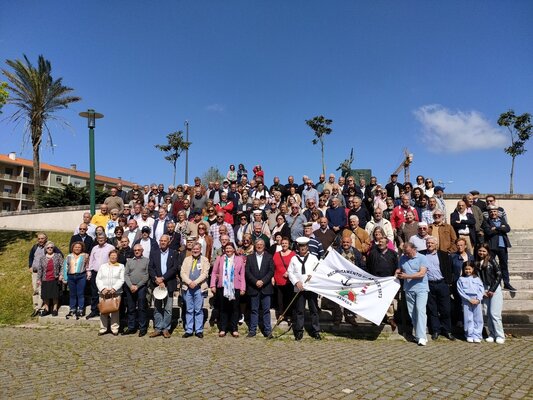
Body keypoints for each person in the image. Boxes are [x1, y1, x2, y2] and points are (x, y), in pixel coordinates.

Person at [422, 236, 455, 341]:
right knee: (432, 309)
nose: (429, 245)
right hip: (429, 284)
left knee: (446, 309)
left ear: (436, 244)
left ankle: (447, 330)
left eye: (432, 243)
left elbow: (449, 269)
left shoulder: (444, 255)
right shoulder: (421, 255)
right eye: (428, 243)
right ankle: (436, 330)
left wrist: (448, 282)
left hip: (442, 283)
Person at [288, 237, 321, 340]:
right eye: (301, 246)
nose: (303, 248)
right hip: (299, 288)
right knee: (299, 311)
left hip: (311, 288)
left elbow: (318, 271)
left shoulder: (313, 258)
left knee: (314, 310)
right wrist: (296, 282)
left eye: (304, 246)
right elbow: (290, 272)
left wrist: (313, 276)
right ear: (298, 247)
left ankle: (316, 331)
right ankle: (299, 331)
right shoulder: (294, 259)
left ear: (307, 247)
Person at [210, 243, 246, 337]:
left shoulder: (239, 259)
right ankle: (223, 328)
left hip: (235, 286)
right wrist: (213, 285)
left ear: (234, 249)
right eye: (227, 248)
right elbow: (214, 272)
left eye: (230, 248)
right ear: (224, 250)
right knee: (223, 308)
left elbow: (242, 274)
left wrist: (243, 288)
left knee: (235, 308)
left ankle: (234, 329)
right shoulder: (220, 258)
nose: (228, 250)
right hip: (223, 287)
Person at [398, 242, 429, 346]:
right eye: (405, 253)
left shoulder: (422, 258)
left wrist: (407, 276)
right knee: (412, 313)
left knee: (420, 310)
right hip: (408, 289)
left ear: (414, 249)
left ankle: (422, 336)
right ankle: (418, 335)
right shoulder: (403, 258)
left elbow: (421, 273)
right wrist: (396, 273)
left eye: (408, 252)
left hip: (421, 288)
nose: (407, 255)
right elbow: (399, 269)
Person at [148, 235, 179, 338]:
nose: (162, 242)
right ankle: (158, 328)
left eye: (165, 241)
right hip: (156, 284)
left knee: (168, 308)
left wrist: (163, 278)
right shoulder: (154, 252)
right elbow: (150, 267)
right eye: (161, 240)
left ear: (169, 242)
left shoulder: (174, 253)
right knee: (157, 307)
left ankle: (166, 328)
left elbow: (174, 268)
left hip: (169, 283)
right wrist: (156, 279)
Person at [366, 237, 399, 330]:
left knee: (389, 300)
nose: (380, 243)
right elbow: (368, 265)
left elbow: (397, 266)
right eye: (379, 242)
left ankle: (390, 318)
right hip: (376, 280)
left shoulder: (393, 254)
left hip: (388, 281)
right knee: (376, 299)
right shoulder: (373, 253)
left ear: (387, 244)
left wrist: (395, 275)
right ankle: (376, 317)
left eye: (382, 242)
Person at [245, 239, 275, 337]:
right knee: (254, 310)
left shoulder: (269, 257)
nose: (259, 246)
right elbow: (247, 272)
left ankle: (267, 331)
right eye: (257, 244)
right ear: (255, 245)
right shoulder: (250, 257)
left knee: (266, 310)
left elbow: (271, 271)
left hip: (266, 287)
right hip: (254, 287)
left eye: (261, 244)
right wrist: (255, 281)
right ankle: (252, 330)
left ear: (264, 246)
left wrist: (263, 281)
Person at [476, 244, 505, 344]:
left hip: (494, 288)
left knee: (495, 314)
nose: (481, 253)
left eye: (484, 251)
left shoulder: (491, 260)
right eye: (480, 251)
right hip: (484, 289)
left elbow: (499, 275)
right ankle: (492, 334)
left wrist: (492, 289)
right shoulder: (477, 262)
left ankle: (500, 335)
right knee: (487, 313)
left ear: (487, 251)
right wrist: (481, 290)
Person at [180, 242, 209, 338]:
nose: (195, 250)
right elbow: (182, 273)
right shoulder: (186, 259)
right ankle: (189, 330)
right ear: (191, 250)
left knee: (198, 310)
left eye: (197, 249)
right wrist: (189, 282)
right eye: (194, 249)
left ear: (200, 250)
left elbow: (205, 274)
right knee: (189, 309)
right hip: (188, 287)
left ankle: (198, 330)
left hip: (199, 288)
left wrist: (195, 282)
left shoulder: (205, 260)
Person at [482, 205, 514, 291]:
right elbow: (488, 232)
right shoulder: (486, 221)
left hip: (502, 246)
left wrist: (495, 228)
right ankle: (494, 283)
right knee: (491, 266)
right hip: (492, 246)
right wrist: (501, 228)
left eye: (495, 211)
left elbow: (507, 229)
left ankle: (506, 283)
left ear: (497, 212)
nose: (493, 213)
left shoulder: (502, 220)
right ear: (489, 213)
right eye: (491, 212)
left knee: (504, 265)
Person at [95, 249, 125, 336]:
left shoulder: (121, 266)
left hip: (115, 292)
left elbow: (121, 279)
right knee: (103, 311)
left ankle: (114, 328)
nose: (113, 257)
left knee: (115, 311)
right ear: (109, 256)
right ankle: (103, 328)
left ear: (117, 257)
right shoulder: (103, 266)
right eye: (112, 255)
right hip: (103, 293)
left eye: (115, 256)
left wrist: (114, 288)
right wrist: (102, 289)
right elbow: (98, 279)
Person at [86, 234, 115, 319]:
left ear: (106, 239)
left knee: (106, 292)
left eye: (102, 238)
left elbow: (113, 259)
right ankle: (94, 310)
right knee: (94, 292)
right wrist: (89, 271)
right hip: (95, 272)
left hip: (106, 272)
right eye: (99, 238)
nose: (100, 239)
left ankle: (107, 311)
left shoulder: (111, 247)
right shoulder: (94, 248)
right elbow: (91, 260)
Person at [123, 244, 150, 337]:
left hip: (141, 287)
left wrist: (137, 286)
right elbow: (126, 274)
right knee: (131, 308)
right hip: (130, 287)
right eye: (135, 250)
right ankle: (131, 327)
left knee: (142, 308)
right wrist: (131, 285)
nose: (137, 251)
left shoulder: (146, 261)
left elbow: (147, 275)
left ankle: (142, 328)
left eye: (138, 250)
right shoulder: (129, 261)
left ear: (142, 250)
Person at [457, 262, 484, 343]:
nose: (468, 271)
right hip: (467, 300)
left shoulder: (477, 278)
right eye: (466, 269)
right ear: (463, 269)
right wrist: (469, 299)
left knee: (478, 318)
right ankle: (469, 334)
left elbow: (481, 289)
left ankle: (477, 335)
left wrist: (478, 299)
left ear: (473, 269)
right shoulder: (461, 279)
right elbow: (460, 291)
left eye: (469, 269)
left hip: (476, 300)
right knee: (468, 318)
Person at [36, 241, 64, 317]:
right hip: (45, 279)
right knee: (45, 296)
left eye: (51, 247)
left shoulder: (58, 256)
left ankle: (55, 309)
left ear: (53, 248)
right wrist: (38, 279)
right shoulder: (42, 258)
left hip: (55, 279)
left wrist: (61, 274)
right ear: (45, 249)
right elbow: (40, 269)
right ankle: (47, 309)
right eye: (48, 247)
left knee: (55, 295)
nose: (50, 249)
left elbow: (62, 266)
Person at [62, 241, 89, 319]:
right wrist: (65, 278)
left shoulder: (85, 256)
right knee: (72, 294)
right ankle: (72, 309)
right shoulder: (69, 256)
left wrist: (88, 274)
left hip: (81, 276)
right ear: (73, 248)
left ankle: (81, 309)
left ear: (82, 248)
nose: (77, 248)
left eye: (79, 247)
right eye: (75, 247)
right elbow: (65, 267)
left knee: (80, 293)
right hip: (71, 276)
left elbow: (88, 266)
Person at [272, 237, 296, 323]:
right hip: (278, 280)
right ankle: (281, 315)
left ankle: (289, 315)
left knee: (288, 298)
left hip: (289, 281)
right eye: (283, 243)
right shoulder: (276, 254)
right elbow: (273, 267)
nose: (284, 245)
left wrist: (289, 273)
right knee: (279, 299)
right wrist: (272, 277)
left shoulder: (293, 254)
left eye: (286, 243)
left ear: (289, 244)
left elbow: (295, 267)